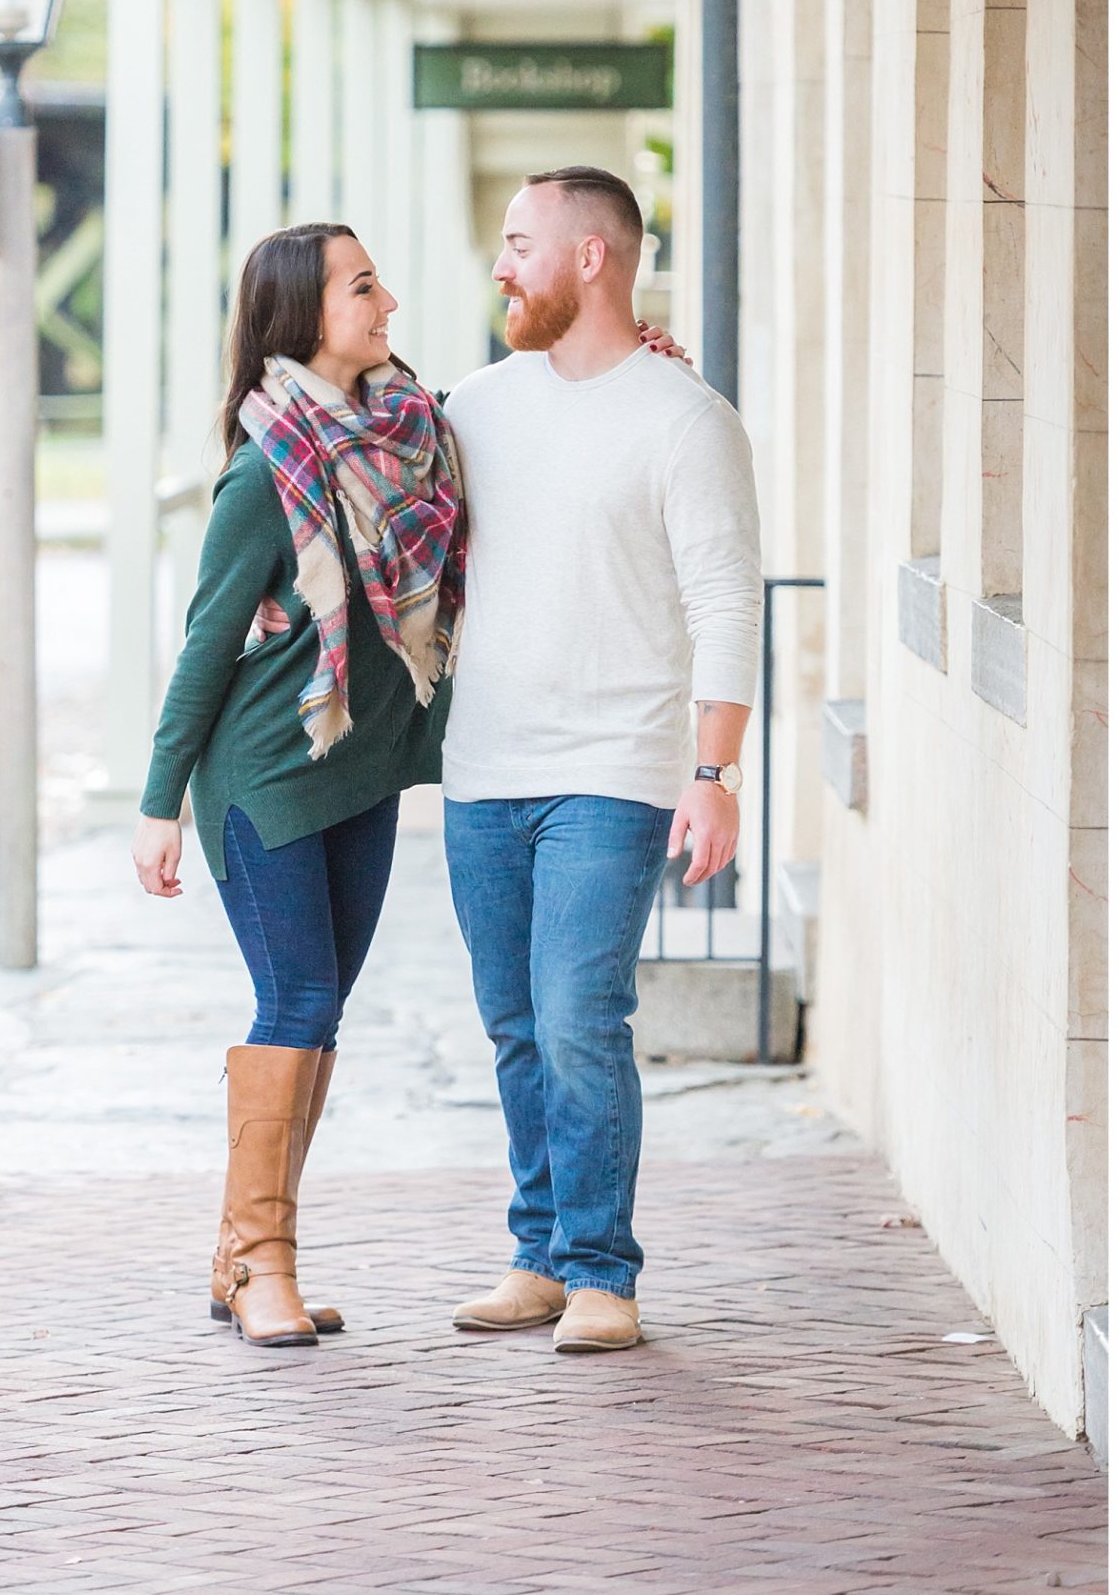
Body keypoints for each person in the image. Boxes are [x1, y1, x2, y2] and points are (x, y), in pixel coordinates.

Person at [441, 166, 762, 1354]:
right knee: (514, 1021)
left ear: (590, 257)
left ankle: (600, 1272)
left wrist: (714, 771)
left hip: (614, 766)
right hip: (482, 768)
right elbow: (372, 483)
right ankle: (535, 1252)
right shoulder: (475, 402)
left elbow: (727, 600)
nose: (500, 264)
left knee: (579, 1013)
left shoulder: (683, 418)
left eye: (519, 242)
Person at [131, 224, 464, 1348]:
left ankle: (240, 1257)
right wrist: (156, 804)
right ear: (302, 315)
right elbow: (204, 643)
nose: (387, 302)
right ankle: (263, 1264)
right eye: (362, 286)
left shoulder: (413, 433)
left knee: (319, 1025)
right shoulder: (263, 471)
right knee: (299, 1008)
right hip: (266, 775)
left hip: (359, 770)